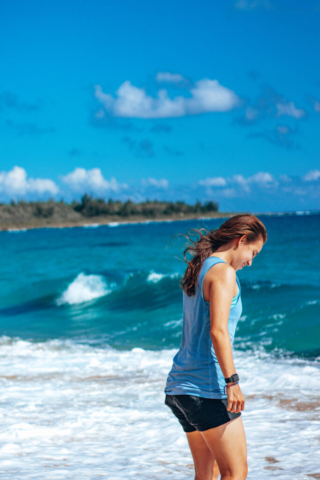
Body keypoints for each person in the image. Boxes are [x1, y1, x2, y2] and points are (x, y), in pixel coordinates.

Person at [164, 214, 267, 480]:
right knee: (235, 472)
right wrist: (232, 382)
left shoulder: (199, 268)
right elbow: (218, 331)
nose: (251, 261)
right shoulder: (223, 272)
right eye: (252, 252)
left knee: (205, 474)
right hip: (207, 388)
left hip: (181, 387)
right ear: (241, 239)